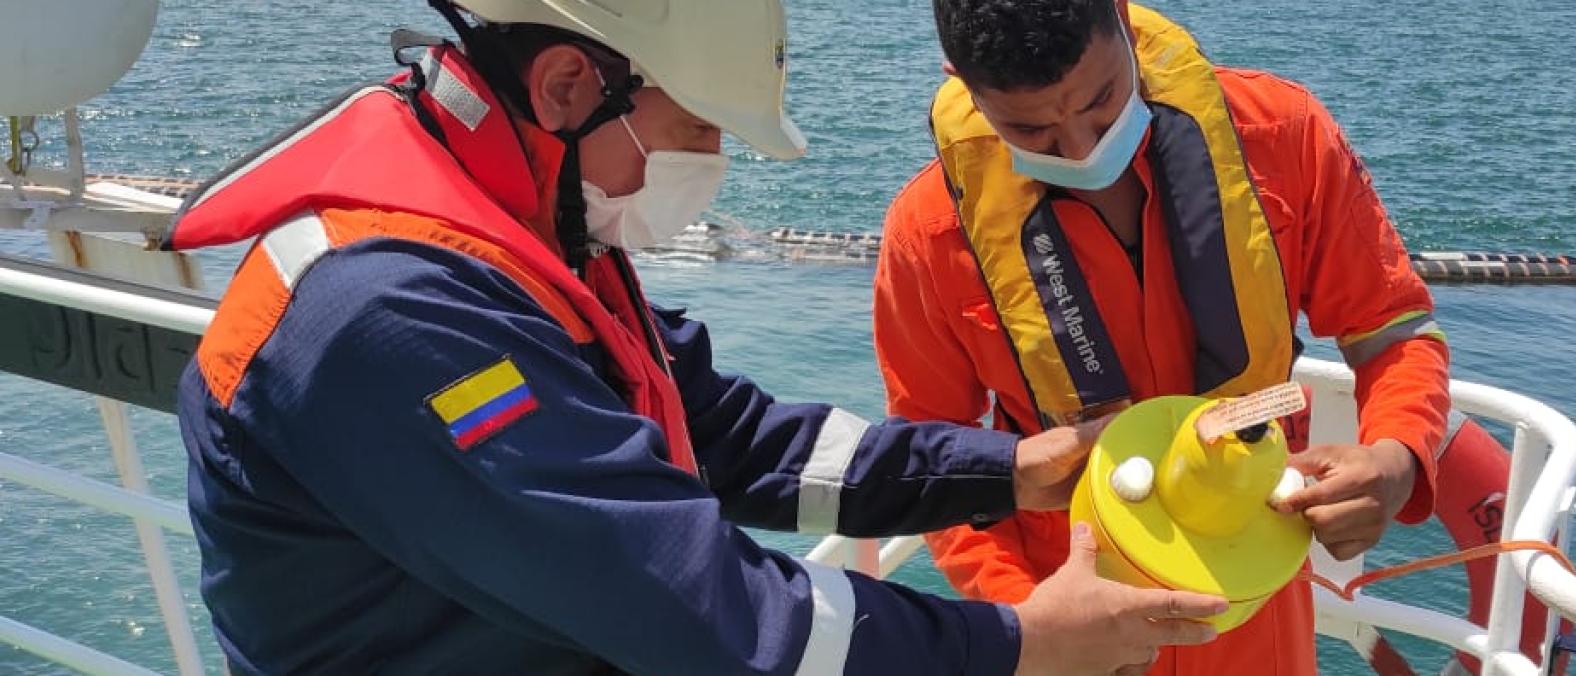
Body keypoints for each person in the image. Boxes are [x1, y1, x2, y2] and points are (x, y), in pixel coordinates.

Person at [167, 1, 1227, 673]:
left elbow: (737, 441)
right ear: (571, 87)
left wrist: (1007, 470)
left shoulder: (523, 225)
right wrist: (1016, 646)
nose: (713, 160)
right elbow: (693, 610)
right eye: (699, 129)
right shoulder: (392, 316)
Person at [873, 1, 1456, 673]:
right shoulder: (925, 234)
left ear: (1122, 18)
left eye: (1102, 101)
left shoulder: (1284, 133)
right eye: (1031, 129)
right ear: (961, 81)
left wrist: (1397, 455)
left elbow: (1393, 328)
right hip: (1065, 614)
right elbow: (930, 449)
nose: (1082, 148)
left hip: (1256, 598)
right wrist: (1028, 618)